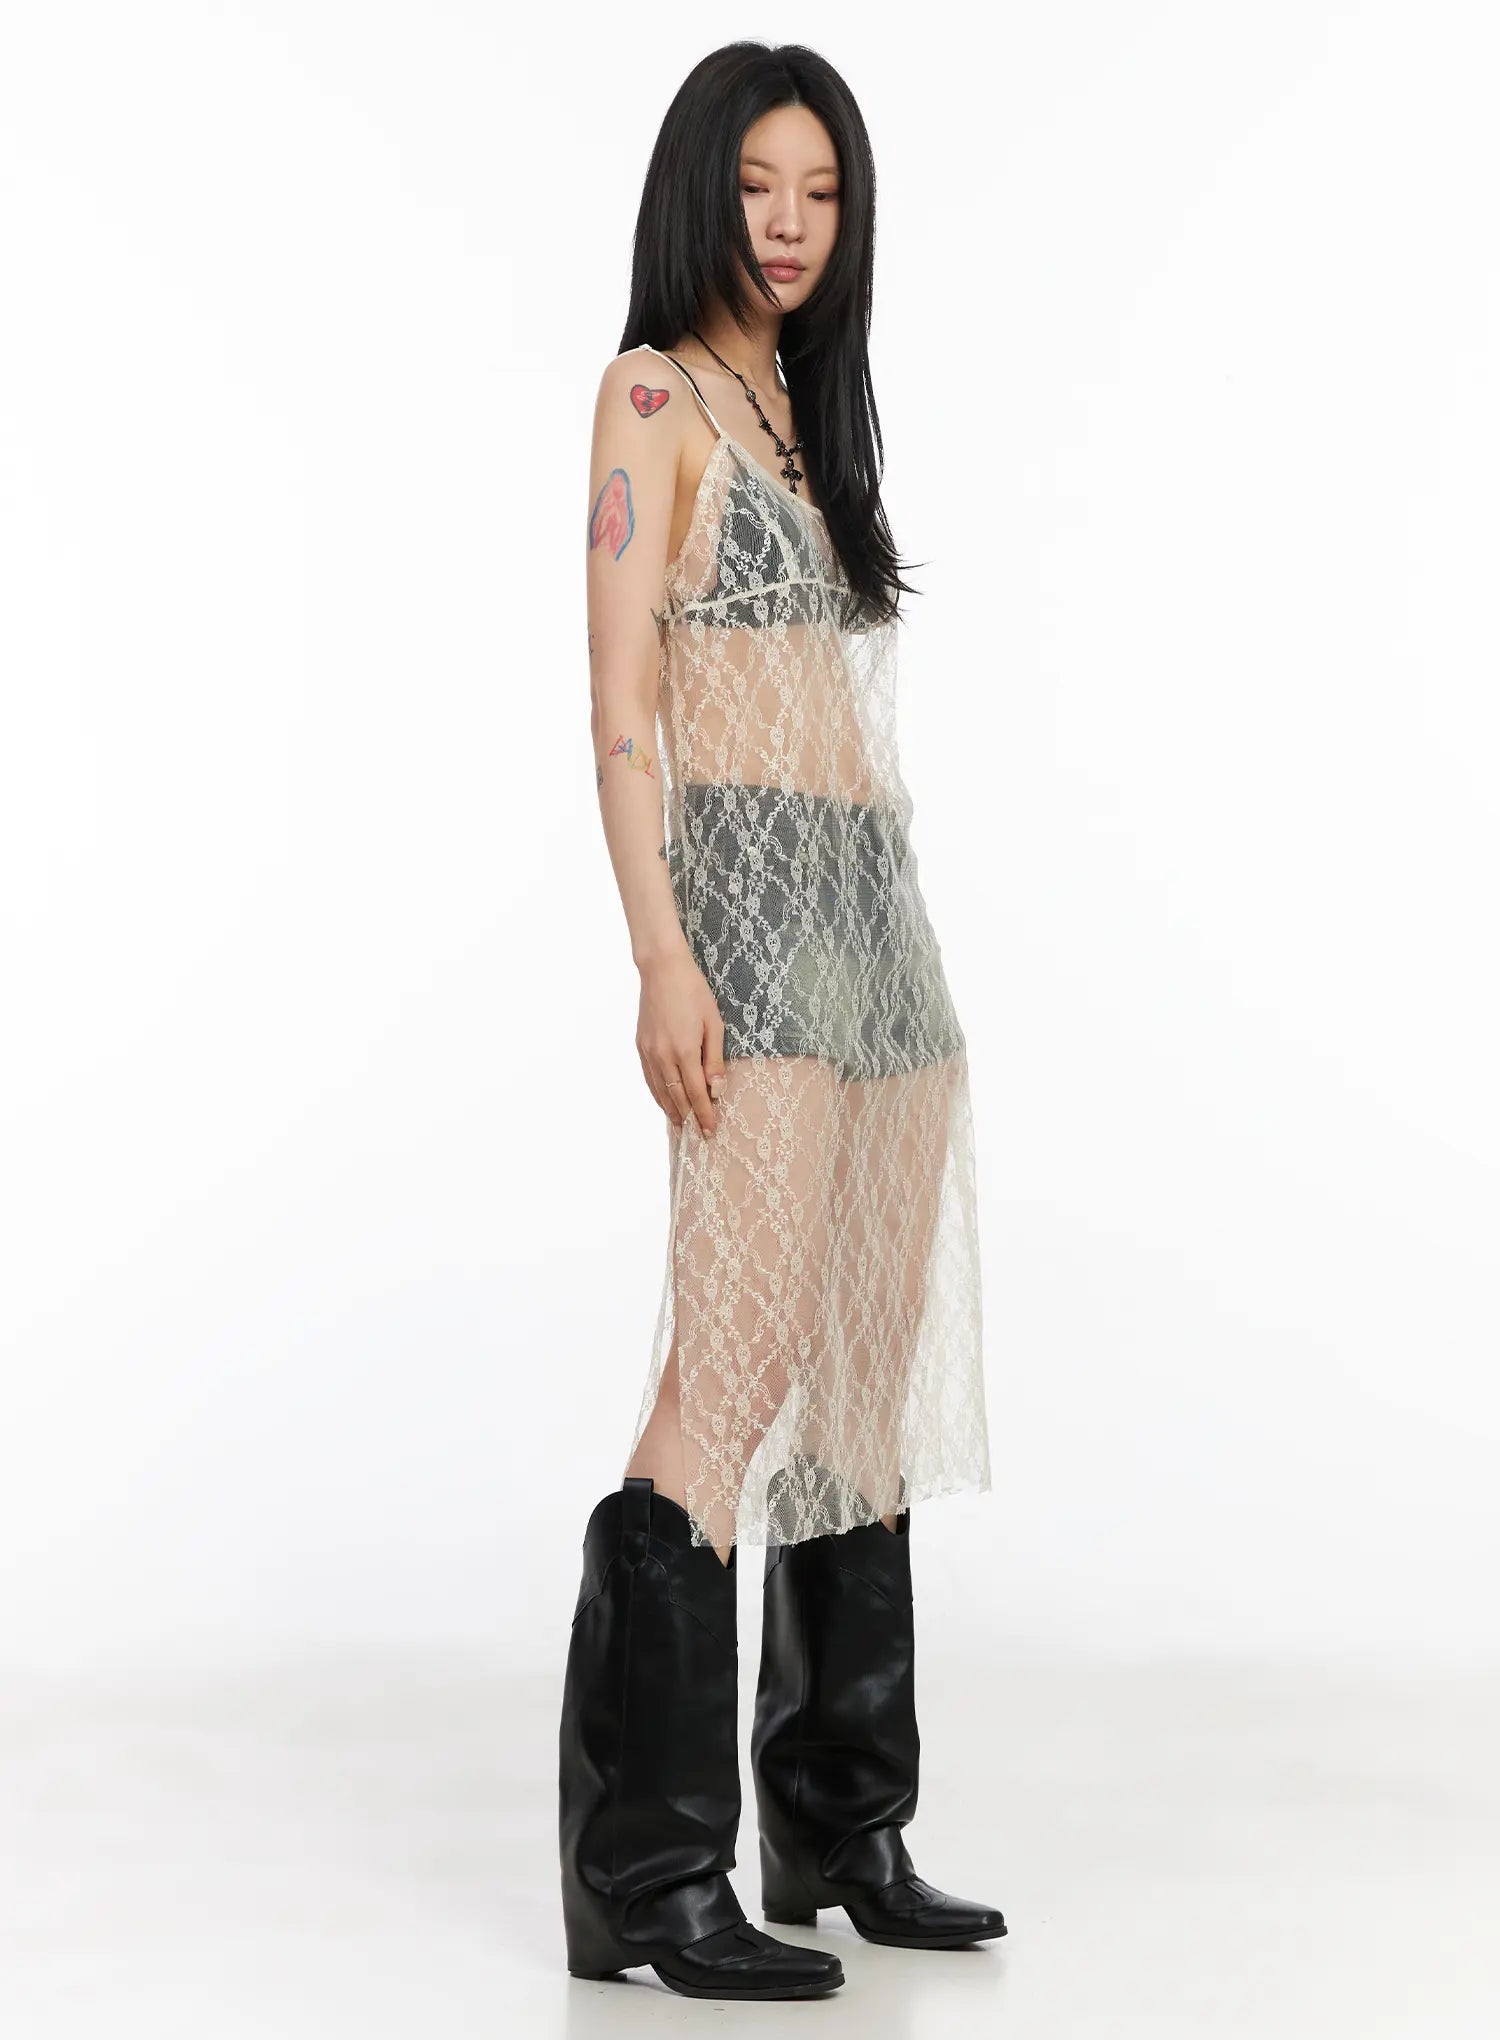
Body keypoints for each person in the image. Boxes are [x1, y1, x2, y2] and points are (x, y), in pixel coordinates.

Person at [559, 41, 1005, 2002]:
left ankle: (839, 1824)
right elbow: (621, 709)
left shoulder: (817, 414)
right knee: (729, 1366)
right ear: (699, 191)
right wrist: (662, 953)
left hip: (877, 921)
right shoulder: (653, 394)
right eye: (758, 185)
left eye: (821, 190)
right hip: (741, 907)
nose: (791, 222)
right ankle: (646, 1872)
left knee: (861, 1381)